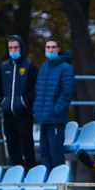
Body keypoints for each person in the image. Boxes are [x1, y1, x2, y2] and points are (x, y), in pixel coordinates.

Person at [0, 35, 37, 171]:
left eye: (16, 47)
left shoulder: (29, 65)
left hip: (23, 114)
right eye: (10, 48)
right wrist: (2, 103)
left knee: (27, 145)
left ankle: (30, 174)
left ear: (21, 48)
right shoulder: (4, 67)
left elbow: (33, 89)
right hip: (8, 114)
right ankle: (17, 173)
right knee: (12, 146)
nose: (13, 51)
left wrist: (24, 103)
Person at [33, 37, 75, 170]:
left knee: (56, 155)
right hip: (44, 118)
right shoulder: (44, 67)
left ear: (58, 49)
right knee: (44, 154)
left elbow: (67, 93)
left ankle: (60, 187)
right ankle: (49, 187)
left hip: (56, 119)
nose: (50, 50)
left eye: (53, 47)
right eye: (48, 47)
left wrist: (54, 110)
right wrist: (37, 109)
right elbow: (38, 90)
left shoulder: (65, 68)